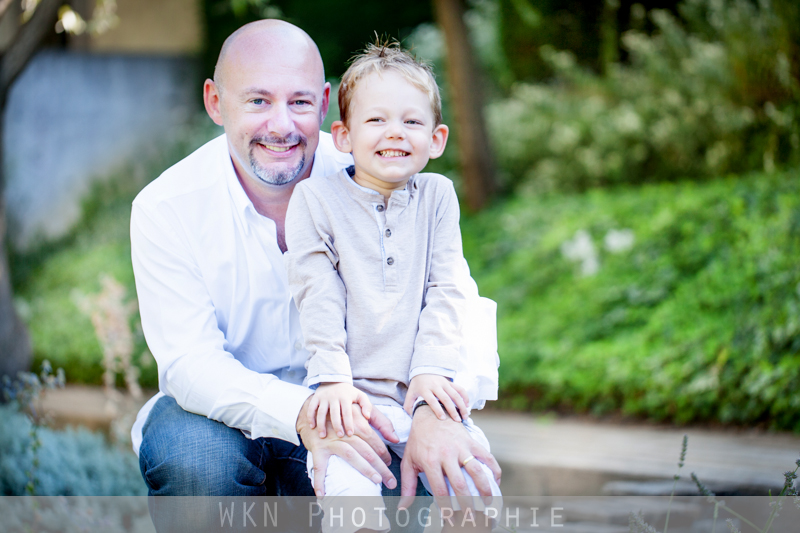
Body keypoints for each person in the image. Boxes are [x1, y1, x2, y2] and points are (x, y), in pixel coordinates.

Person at [129, 19, 500, 517]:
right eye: (258, 101)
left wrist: (437, 409)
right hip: (220, 418)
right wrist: (303, 413)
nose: (281, 126)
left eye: (299, 102)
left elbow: (457, 299)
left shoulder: (376, 166)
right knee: (195, 461)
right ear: (216, 102)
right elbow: (190, 364)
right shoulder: (166, 207)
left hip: (364, 405)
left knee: (433, 477)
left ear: (325, 104)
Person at [285, 42, 502, 533]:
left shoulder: (438, 197)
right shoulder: (315, 200)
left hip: (423, 391)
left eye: (411, 121)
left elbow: (446, 287)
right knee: (352, 508)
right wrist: (332, 379)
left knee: (477, 493)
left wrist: (430, 373)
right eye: (376, 120)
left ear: (437, 138)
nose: (395, 132)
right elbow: (316, 293)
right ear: (343, 136)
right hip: (351, 398)